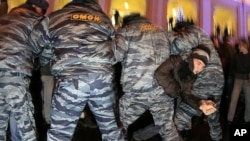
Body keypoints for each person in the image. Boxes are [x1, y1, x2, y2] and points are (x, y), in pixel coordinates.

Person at [30, 0, 124, 140]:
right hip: (101, 79)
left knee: (59, 134)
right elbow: (118, 48)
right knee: (111, 131)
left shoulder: (55, 17)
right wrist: (105, 62)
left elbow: (34, 43)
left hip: (70, 81)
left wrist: (46, 57)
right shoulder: (103, 18)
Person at [114, 13, 181, 141]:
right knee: (168, 130)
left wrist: (114, 35)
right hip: (162, 90)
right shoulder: (162, 31)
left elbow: (114, 56)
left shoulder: (126, 31)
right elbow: (178, 50)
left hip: (137, 92)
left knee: (118, 126)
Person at [132, 44, 217, 141]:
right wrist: (175, 89)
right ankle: (137, 136)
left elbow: (186, 94)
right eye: (199, 63)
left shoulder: (191, 75)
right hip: (158, 94)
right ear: (193, 57)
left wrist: (200, 104)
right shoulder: (177, 60)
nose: (200, 68)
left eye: (203, 66)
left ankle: (138, 136)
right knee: (167, 126)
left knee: (165, 124)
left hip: (172, 99)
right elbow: (160, 73)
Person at [0, 0, 49, 140]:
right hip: (15, 73)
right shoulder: (37, 21)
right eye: (42, 9)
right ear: (35, 7)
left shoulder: (4, 18)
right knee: (24, 125)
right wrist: (37, 64)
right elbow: (45, 50)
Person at [167, 21, 224, 141]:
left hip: (204, 81)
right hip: (216, 81)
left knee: (179, 120)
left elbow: (178, 46)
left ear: (183, 30)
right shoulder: (200, 38)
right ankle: (217, 138)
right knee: (213, 117)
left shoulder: (194, 32)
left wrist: (165, 44)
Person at [227, 39, 250, 124]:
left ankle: (247, 119)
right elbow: (233, 67)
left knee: (248, 100)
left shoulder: (245, 56)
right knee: (234, 100)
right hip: (238, 80)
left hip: (246, 80)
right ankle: (230, 118)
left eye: (240, 46)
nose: (239, 47)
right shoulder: (236, 56)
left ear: (244, 46)